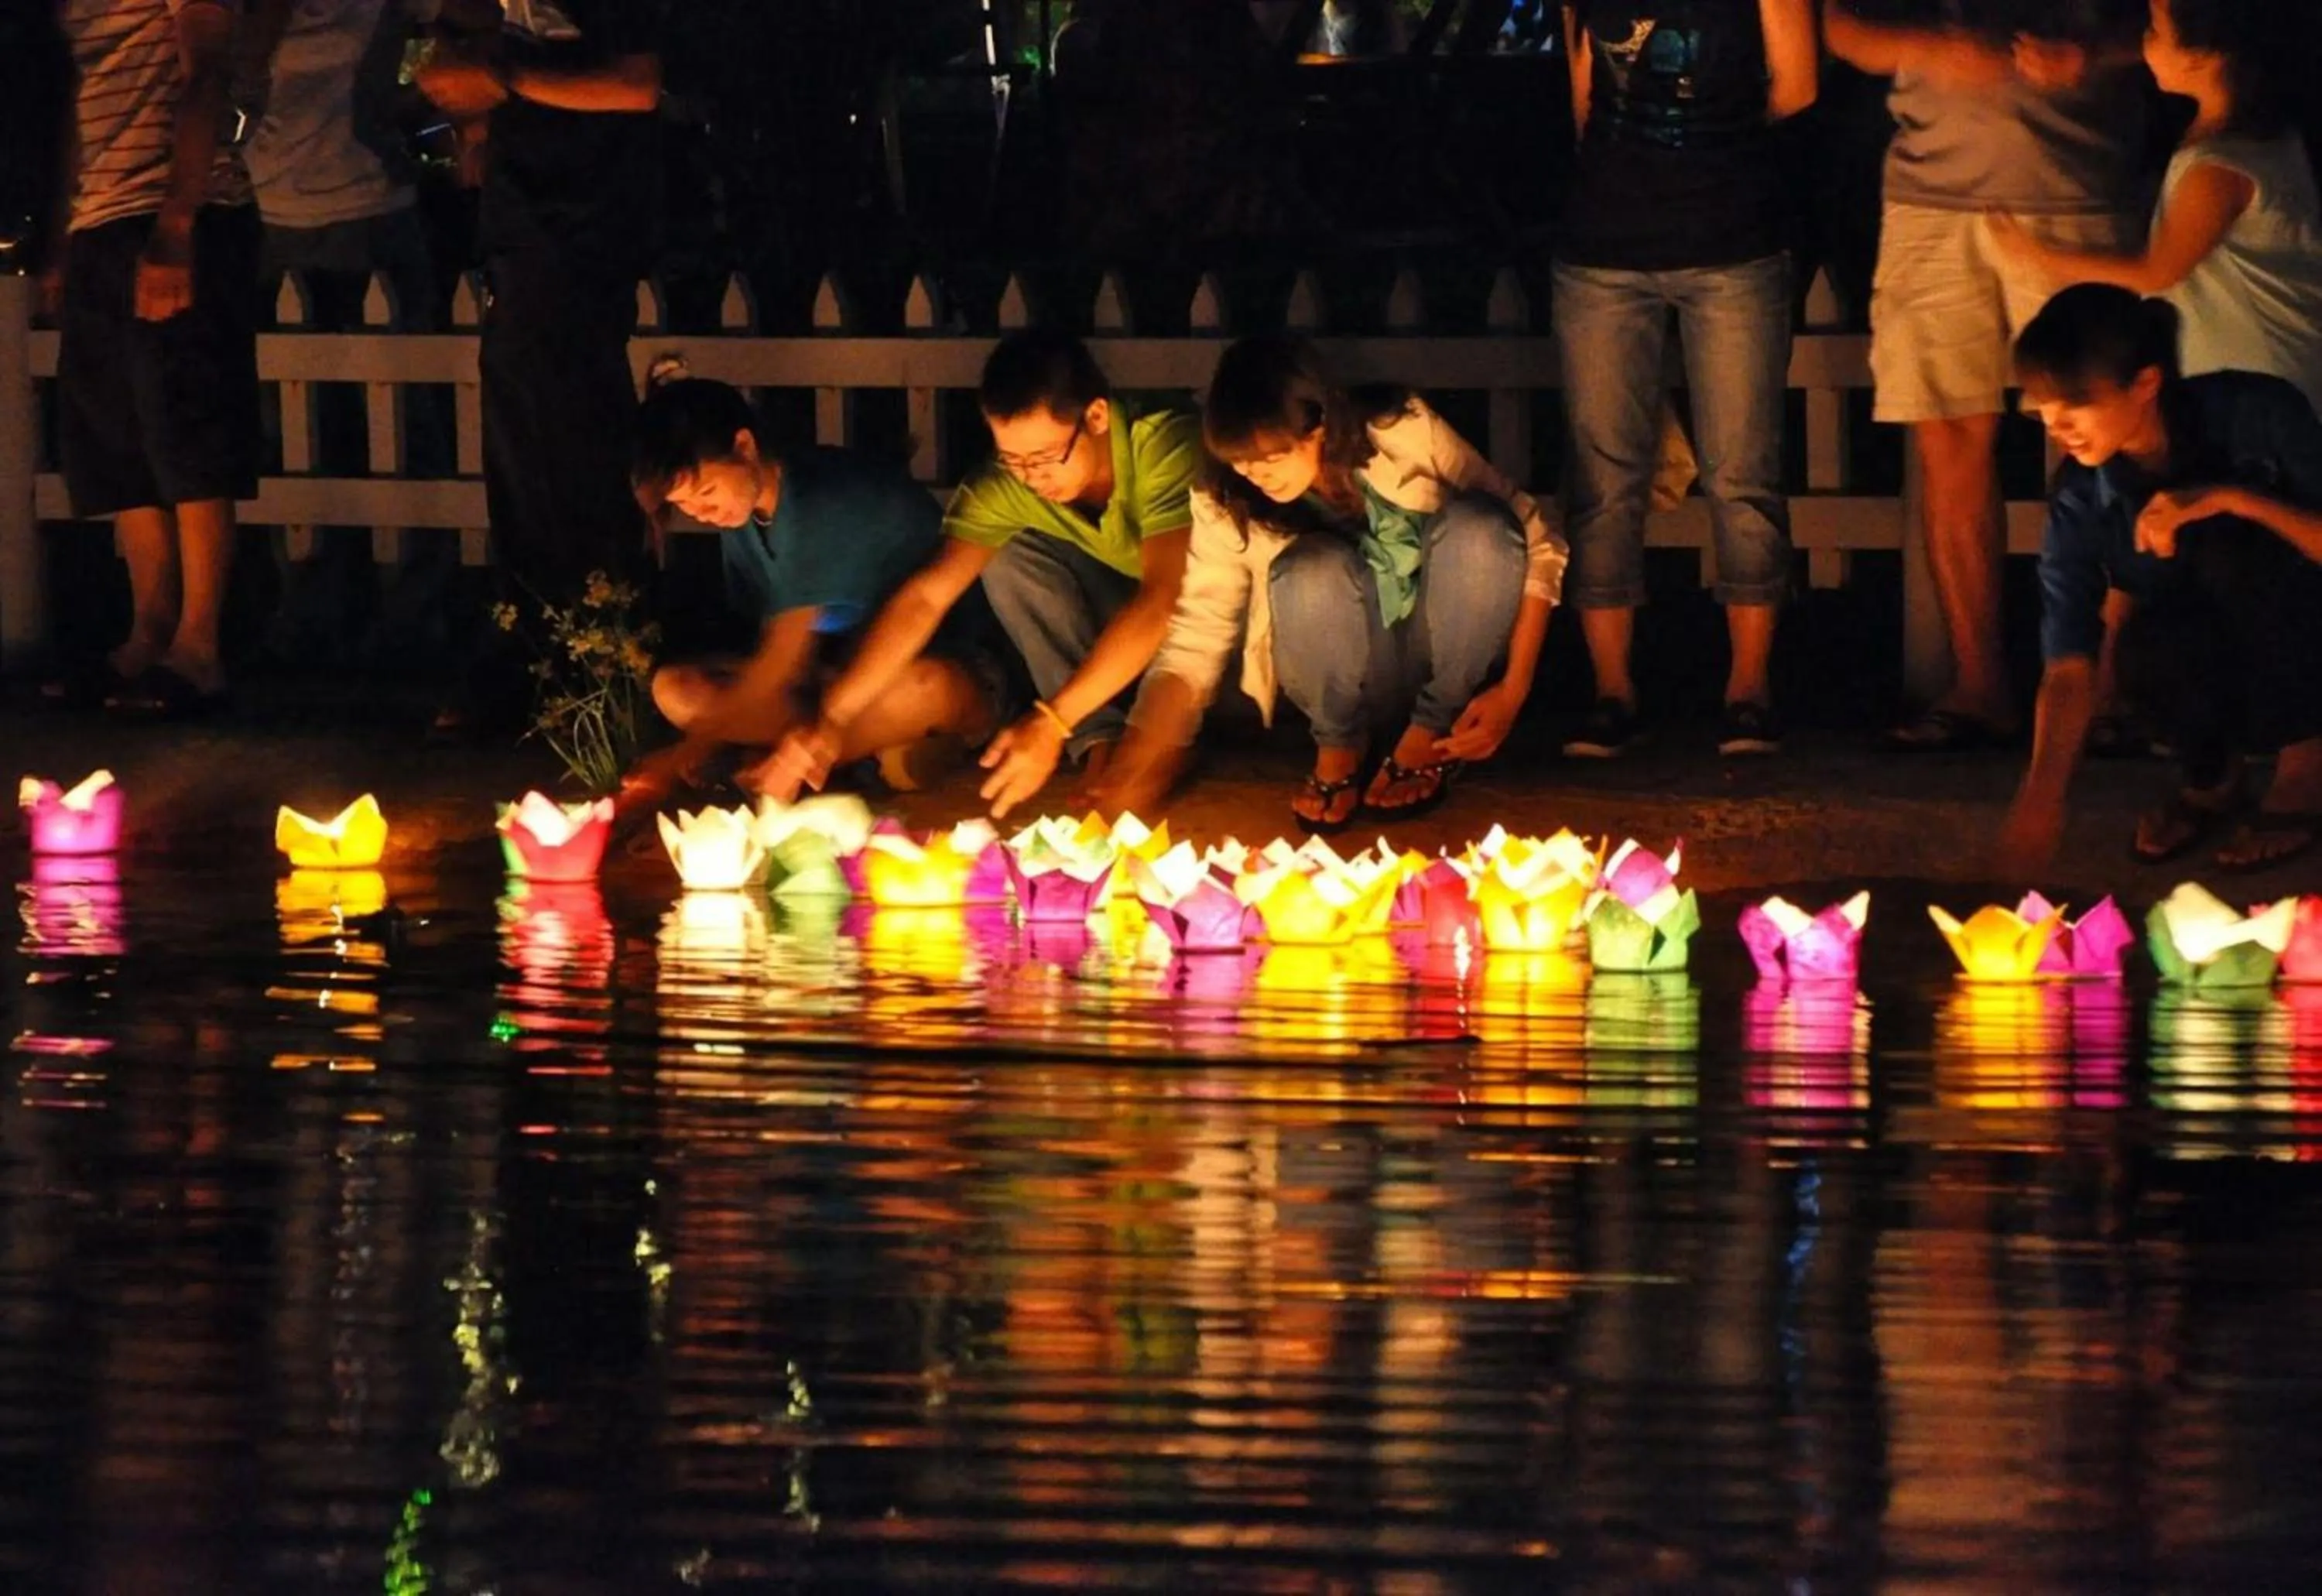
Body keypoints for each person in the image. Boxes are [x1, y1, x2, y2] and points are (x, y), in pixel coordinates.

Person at [1824, 0, 2149, 751]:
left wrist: (2091, 56)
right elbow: (1836, 24)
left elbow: (2189, 26)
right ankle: (1979, 686)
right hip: (1930, 201)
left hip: (2076, 187)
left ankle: (2106, 692)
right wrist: (1929, 45)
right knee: (1949, 441)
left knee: (2103, 446)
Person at [1092, 336, 1565, 831]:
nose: (1255, 475)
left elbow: (1537, 537)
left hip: (1446, 650)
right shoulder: (1224, 496)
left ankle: (1430, 731)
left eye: (1270, 458)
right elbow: (1200, 629)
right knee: (1311, 568)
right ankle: (1339, 747)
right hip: (1345, 671)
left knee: (1483, 527)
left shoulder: (1400, 432)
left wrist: (1514, 689)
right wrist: (1138, 759)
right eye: (1240, 460)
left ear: (1317, 426)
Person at [759, 329, 1202, 818]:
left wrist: (1051, 722)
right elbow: (926, 597)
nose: (1033, 477)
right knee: (1009, 552)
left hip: (1224, 625)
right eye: (1014, 460)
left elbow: (1166, 598)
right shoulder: (1008, 485)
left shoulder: (1159, 443)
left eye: (1045, 457)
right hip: (1126, 616)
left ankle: (1162, 741)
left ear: (1095, 416)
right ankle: (1101, 738)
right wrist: (832, 720)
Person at [1553, 0, 1818, 759]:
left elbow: (1797, 88)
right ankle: (1611, 691)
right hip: (1604, 241)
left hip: (1733, 239)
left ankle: (1749, 689)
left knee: (1742, 469)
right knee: (1604, 475)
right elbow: (1581, 97)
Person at [1997, 284, 2322, 875]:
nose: (2056, 426)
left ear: (2145, 384)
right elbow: (2070, 661)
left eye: (2074, 404)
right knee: (2143, 644)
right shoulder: (2082, 496)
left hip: (2306, 629)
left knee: (2232, 553)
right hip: (2217, 655)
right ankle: (2210, 779)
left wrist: (2229, 499)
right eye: (2043, 408)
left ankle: (2305, 769)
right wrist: (2041, 799)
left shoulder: (2258, 412)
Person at [415, 0, 665, 727]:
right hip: (528, 224)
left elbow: (635, 82)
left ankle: (583, 660)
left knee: (567, 447)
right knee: (524, 448)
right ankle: (544, 653)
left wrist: (502, 75)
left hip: (577, 232)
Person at [620, 375, 1005, 802]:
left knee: (926, 687)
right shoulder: (742, 518)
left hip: (940, 667)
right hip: (831, 678)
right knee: (677, 689)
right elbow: (777, 656)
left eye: (707, 492)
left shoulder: (818, 500)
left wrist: (681, 757)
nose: (701, 512)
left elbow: (781, 660)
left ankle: (802, 757)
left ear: (744, 447)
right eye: (685, 505)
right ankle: (858, 755)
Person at [49, 0, 260, 717]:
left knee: (186, 425)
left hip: (174, 208)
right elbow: (82, 96)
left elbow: (207, 78)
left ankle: (200, 646)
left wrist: (177, 223)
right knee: (119, 437)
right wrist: (64, 234)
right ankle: (150, 628)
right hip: (99, 216)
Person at [241, 0, 450, 668]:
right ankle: (309, 607)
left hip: (372, 211)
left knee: (398, 419)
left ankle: (413, 608)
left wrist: (404, 116)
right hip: (272, 213)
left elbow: (470, 26)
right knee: (293, 427)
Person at [1988, 0, 2322, 416]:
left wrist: (2041, 257)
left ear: (2202, 55)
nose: (2144, 43)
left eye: (2155, 32)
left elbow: (2158, 272)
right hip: (2264, 369)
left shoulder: (2219, 166)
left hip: (2262, 372)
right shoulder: (2259, 137)